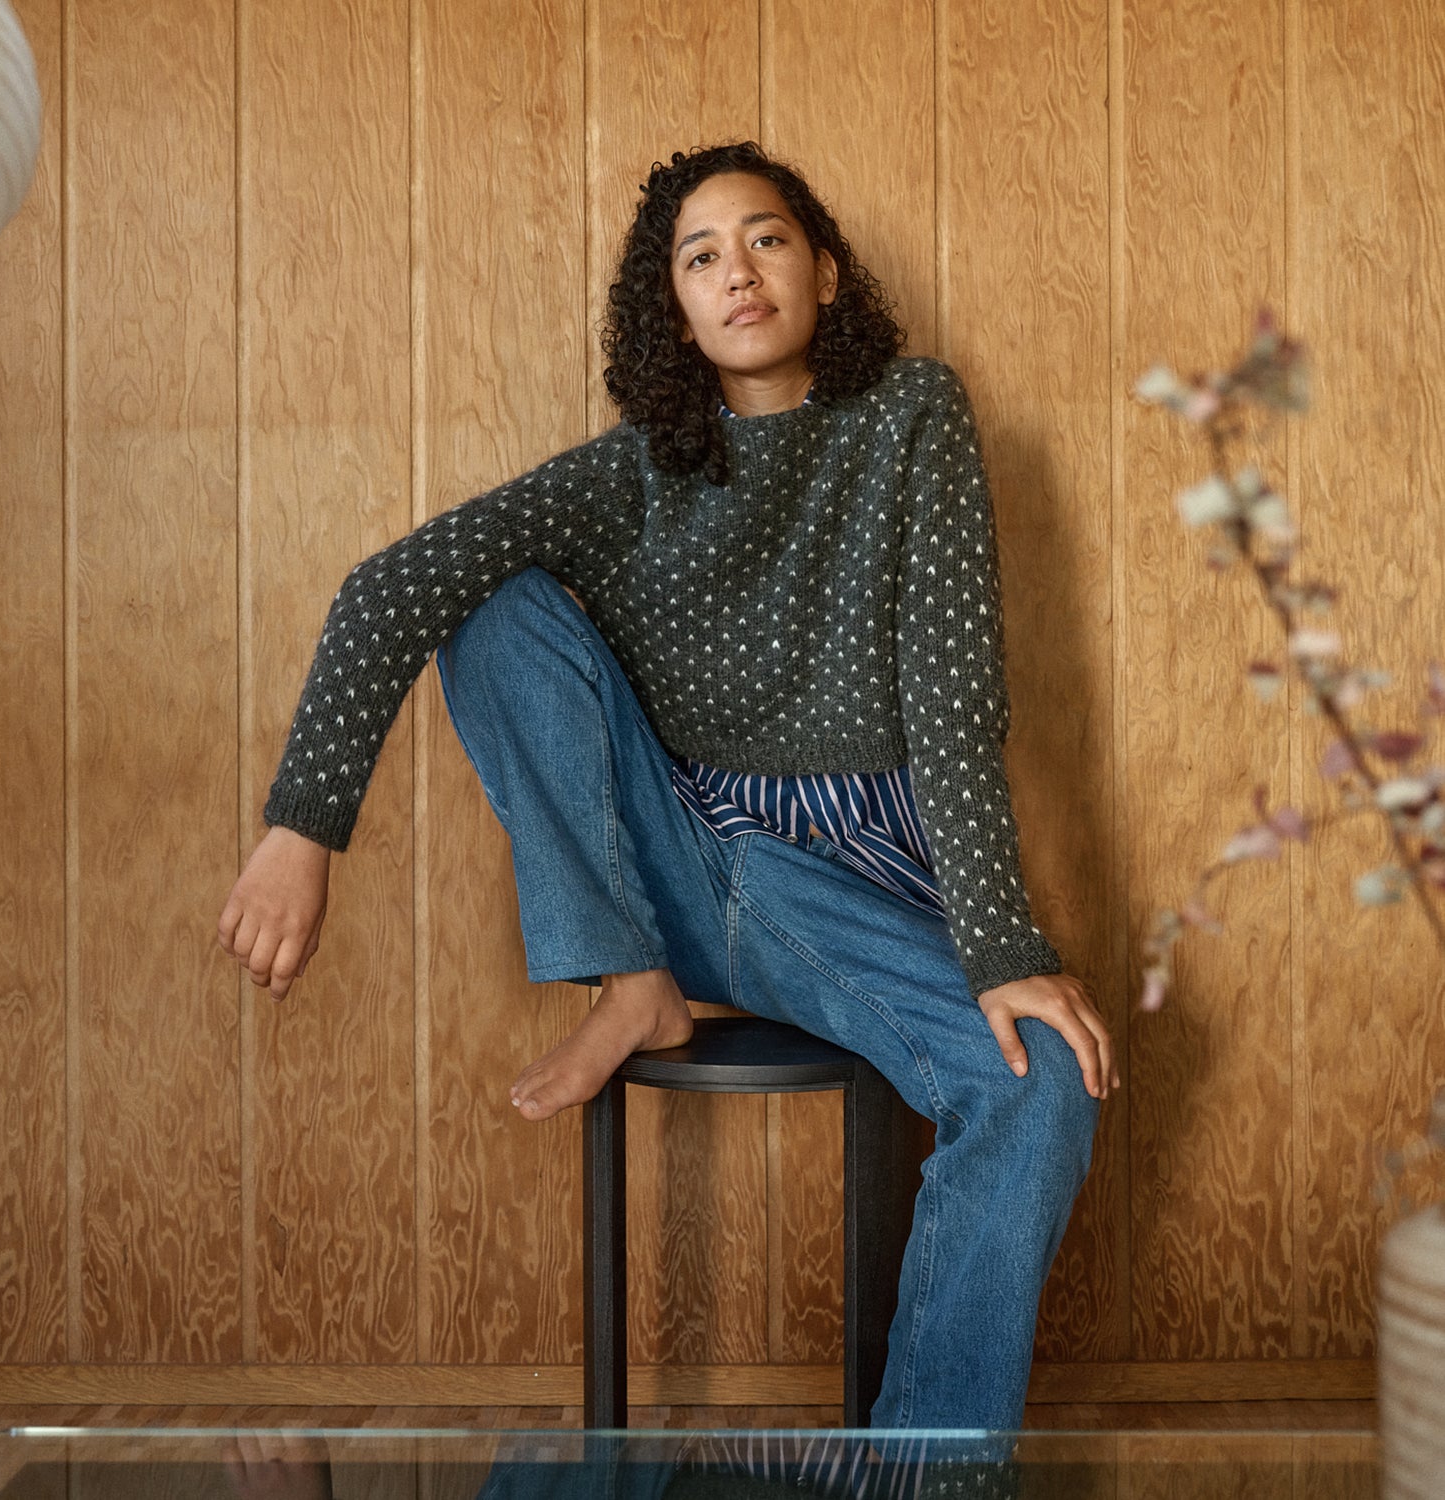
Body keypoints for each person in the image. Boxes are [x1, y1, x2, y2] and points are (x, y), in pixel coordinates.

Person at [217, 141, 1117, 1433]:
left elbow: (953, 702)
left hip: (856, 889)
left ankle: (923, 1469)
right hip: (691, 862)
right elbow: (390, 587)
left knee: (1040, 1085)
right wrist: (301, 829)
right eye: (701, 257)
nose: (737, 272)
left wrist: (1003, 948)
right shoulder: (634, 472)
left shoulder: (911, 414)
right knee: (493, 609)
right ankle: (630, 976)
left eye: (765, 239)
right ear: (675, 310)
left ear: (824, 271)